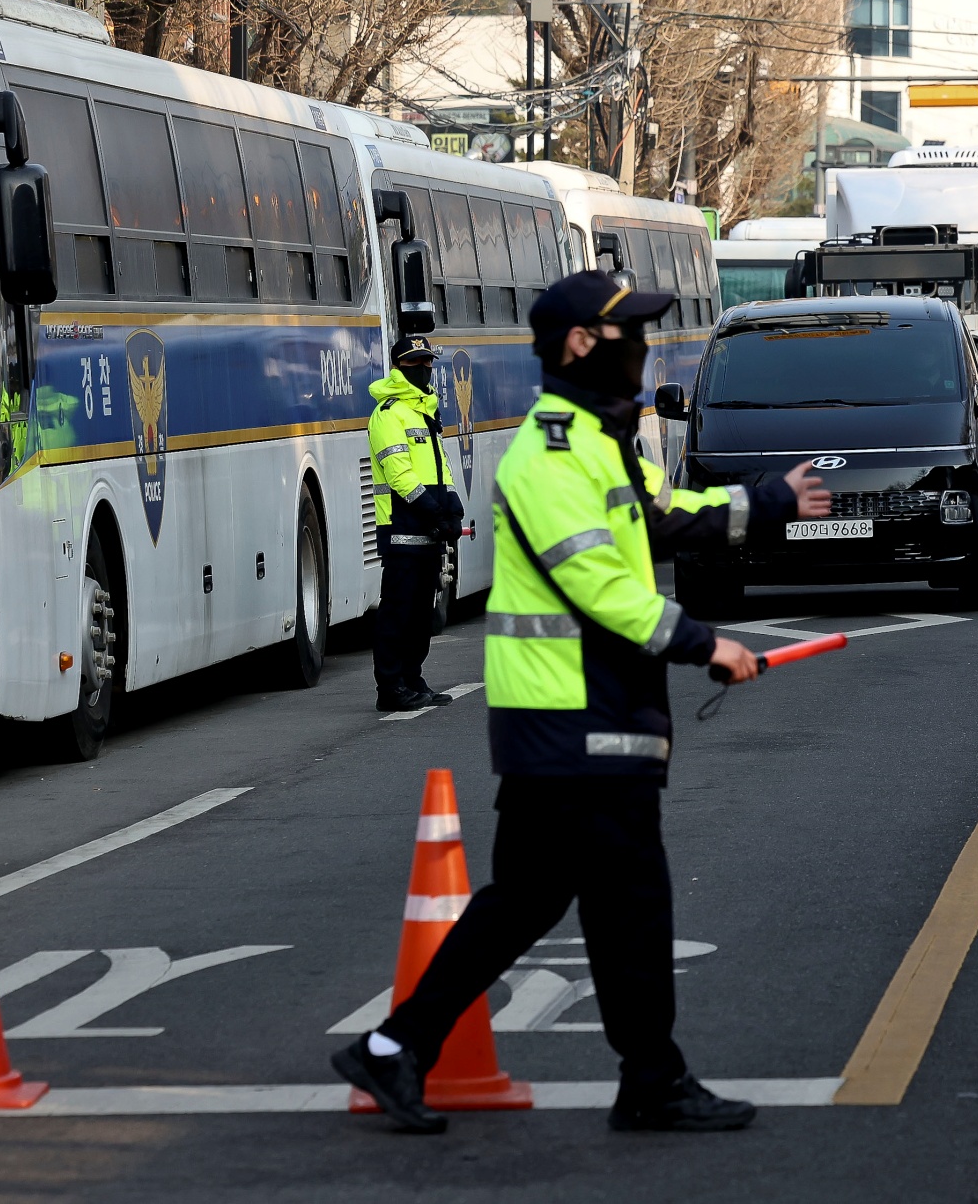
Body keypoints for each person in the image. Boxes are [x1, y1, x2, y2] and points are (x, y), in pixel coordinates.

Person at [333, 271, 831, 1136]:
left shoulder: (596, 444)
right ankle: (651, 1078)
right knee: (629, 897)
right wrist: (703, 640)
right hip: (577, 720)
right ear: (578, 344)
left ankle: (398, 1047)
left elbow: (663, 514)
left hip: (570, 721)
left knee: (534, 899)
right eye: (625, 332)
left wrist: (767, 500)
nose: (640, 347)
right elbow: (599, 581)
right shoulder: (551, 453)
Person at [370, 334, 465, 711]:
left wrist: (453, 507)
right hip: (400, 529)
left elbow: (441, 468)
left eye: (428, 362)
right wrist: (435, 512)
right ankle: (390, 688)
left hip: (428, 530)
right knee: (398, 612)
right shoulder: (389, 414)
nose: (424, 368)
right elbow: (399, 475)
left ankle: (412, 677)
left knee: (422, 614)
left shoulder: (426, 412)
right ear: (399, 367)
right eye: (415, 363)